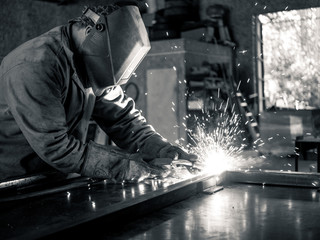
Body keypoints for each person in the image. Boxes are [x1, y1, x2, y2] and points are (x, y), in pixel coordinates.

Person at [0, 3, 197, 182]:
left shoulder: (91, 61)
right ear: (90, 31)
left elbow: (123, 119)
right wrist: (126, 166)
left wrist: (161, 149)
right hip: (14, 183)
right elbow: (56, 147)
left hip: (57, 178)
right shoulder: (34, 66)